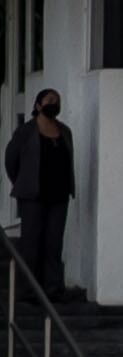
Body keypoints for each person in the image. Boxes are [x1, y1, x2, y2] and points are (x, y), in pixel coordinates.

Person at [4, 84, 69, 297]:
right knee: (31, 242)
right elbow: (11, 159)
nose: (54, 104)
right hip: (32, 196)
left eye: (57, 101)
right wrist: (22, 182)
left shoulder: (64, 131)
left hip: (59, 196)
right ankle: (28, 290)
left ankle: (53, 288)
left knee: (54, 243)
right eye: (50, 100)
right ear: (38, 105)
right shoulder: (25, 131)